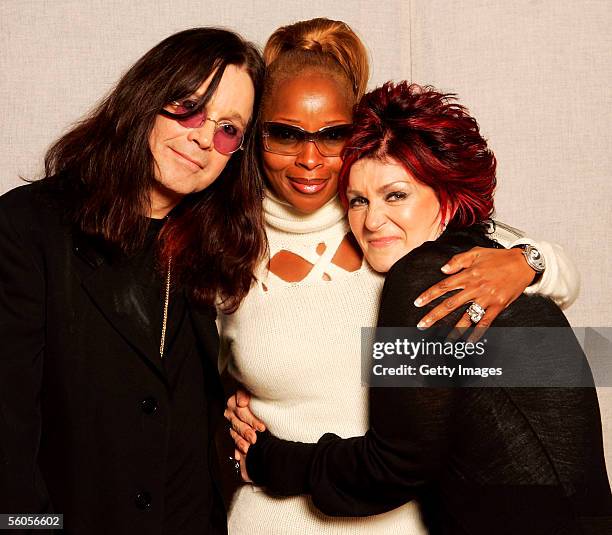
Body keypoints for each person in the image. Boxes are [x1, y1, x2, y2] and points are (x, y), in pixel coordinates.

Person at [220, 18, 580, 535]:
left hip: (404, 518)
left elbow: (561, 285)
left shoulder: (402, 236)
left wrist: (526, 261)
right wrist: (232, 443)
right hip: (270, 519)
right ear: (259, 136)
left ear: (356, 135)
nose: (309, 159)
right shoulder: (227, 247)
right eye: (284, 133)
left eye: (333, 136)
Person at [0, 28, 265, 535]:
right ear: (147, 96)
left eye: (229, 128)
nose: (205, 138)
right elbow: (6, 440)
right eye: (189, 107)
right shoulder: (29, 227)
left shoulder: (215, 247)